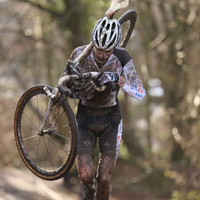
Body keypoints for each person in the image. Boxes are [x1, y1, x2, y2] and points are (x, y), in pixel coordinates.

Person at [65, 16, 146, 200]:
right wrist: (75, 89)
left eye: (107, 51)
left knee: (104, 177)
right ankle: (88, 192)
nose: (102, 55)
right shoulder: (79, 53)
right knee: (86, 175)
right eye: (98, 50)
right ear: (92, 43)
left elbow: (141, 93)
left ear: (114, 47)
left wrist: (119, 80)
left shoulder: (122, 56)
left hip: (111, 120)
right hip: (85, 119)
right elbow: (64, 84)